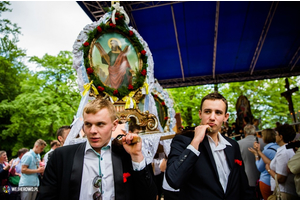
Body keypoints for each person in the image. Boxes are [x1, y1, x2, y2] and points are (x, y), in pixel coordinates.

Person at [38, 98, 157, 200]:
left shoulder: (126, 155)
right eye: (88, 124)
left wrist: (136, 156)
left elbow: (148, 197)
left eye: (100, 124)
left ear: (114, 125)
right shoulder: (62, 156)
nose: (92, 131)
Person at [166, 92, 254, 200]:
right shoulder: (183, 141)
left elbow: (243, 185)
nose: (212, 117)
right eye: (207, 111)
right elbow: (173, 179)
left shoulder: (233, 145)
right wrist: (195, 142)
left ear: (225, 117)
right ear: (200, 114)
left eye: (218, 112)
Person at [261, 124, 298, 199]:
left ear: (281, 137)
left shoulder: (284, 152)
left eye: (276, 135)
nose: (275, 137)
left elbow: (281, 178)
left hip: (284, 192)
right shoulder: (286, 149)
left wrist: (268, 170)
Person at [248, 128, 280, 200]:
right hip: (278, 181)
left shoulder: (267, 151)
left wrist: (256, 155)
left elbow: (260, 167)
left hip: (267, 181)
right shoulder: (278, 147)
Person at [238, 124, 266, 198]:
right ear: (254, 132)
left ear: (244, 132)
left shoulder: (239, 144)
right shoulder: (263, 142)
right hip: (264, 176)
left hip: (247, 177)